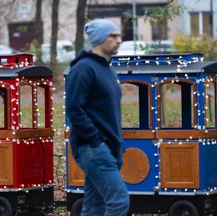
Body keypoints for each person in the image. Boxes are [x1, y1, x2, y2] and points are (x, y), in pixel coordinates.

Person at [65, 18, 130, 216]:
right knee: (119, 201)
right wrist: (95, 140)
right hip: (92, 148)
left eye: (119, 35)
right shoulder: (83, 68)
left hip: (110, 148)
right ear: (100, 39)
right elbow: (74, 108)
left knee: (94, 207)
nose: (118, 40)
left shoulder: (108, 69)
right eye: (113, 36)